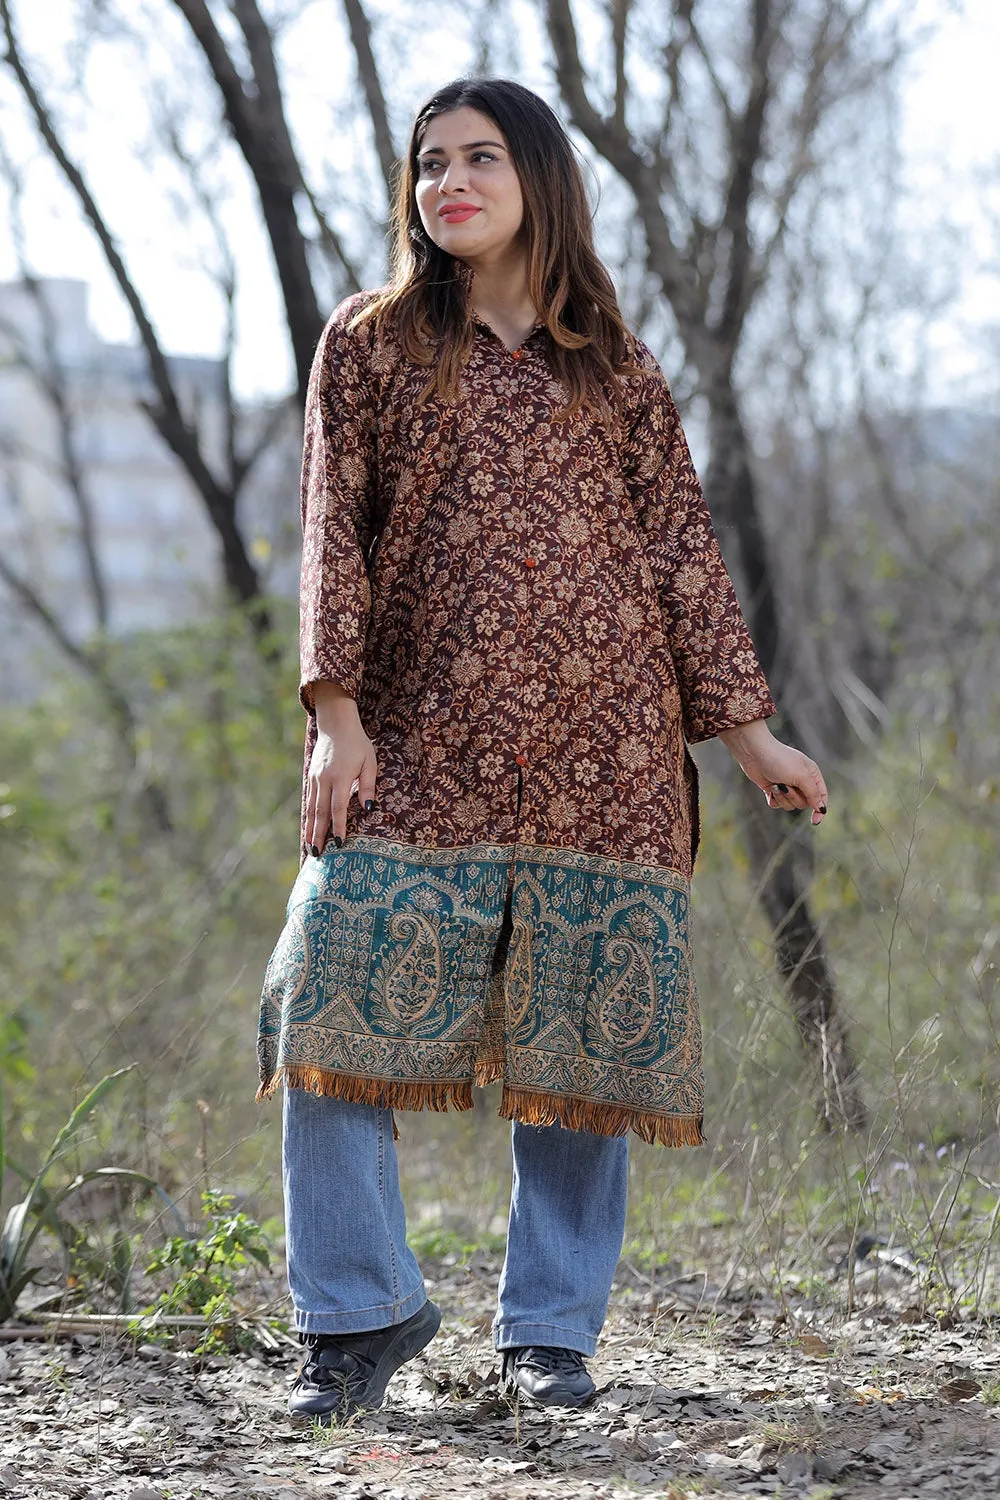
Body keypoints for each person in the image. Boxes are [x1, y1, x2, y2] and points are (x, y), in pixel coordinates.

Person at [257, 76, 828, 1423]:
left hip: (611, 760)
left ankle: (550, 1339)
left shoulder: (612, 365)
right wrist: (334, 719)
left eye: (479, 159)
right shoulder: (375, 343)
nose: (446, 183)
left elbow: (682, 553)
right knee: (321, 991)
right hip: (418, 754)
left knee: (584, 1042)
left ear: (541, 182)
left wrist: (748, 734)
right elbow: (332, 530)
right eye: (428, 163)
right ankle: (360, 1315)